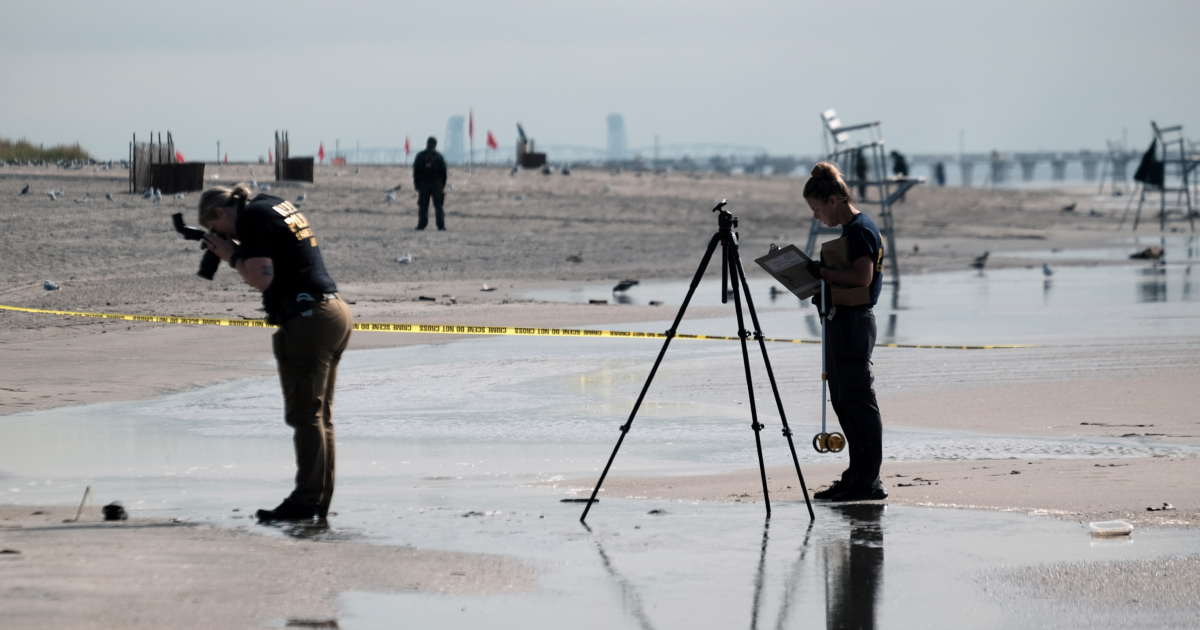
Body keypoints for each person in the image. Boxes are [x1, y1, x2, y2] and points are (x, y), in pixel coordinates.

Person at [198, 184, 353, 522]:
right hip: (332, 310)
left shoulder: (251, 217)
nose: (217, 236)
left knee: (306, 416)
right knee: (319, 417)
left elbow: (262, 278)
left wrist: (231, 256)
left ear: (221, 213)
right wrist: (238, 250)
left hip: (309, 320)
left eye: (216, 230)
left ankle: (304, 502)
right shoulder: (270, 204)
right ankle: (316, 502)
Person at [802, 162, 887, 503]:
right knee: (842, 400)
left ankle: (868, 482)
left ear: (834, 200)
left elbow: (862, 279)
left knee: (858, 403)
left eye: (817, 209)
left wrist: (822, 273)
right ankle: (856, 476)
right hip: (841, 320)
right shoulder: (852, 230)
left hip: (854, 323)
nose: (816, 217)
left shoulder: (860, 230)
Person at [412, 136, 448, 231]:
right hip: (436, 184)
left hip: (423, 184)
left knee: (423, 205)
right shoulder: (439, 156)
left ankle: (421, 225)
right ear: (435, 144)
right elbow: (444, 171)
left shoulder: (420, 155)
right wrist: (442, 184)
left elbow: (415, 170)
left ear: (427, 143)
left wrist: (416, 183)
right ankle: (441, 225)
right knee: (438, 205)